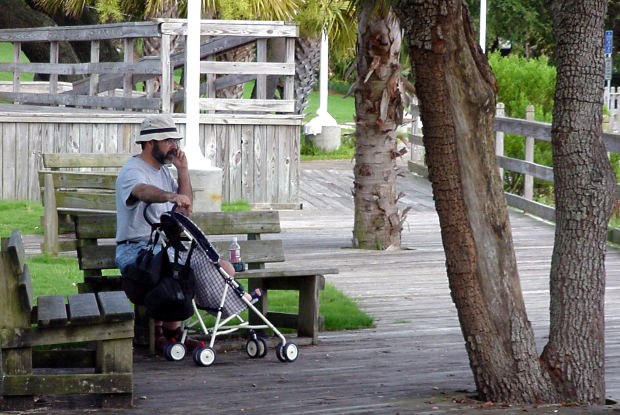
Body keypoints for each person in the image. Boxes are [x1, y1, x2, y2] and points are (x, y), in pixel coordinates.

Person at [115, 113, 260, 353]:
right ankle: (171, 335)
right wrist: (169, 196)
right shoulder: (133, 171)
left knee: (224, 268)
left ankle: (174, 335)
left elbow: (185, 209)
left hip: (163, 249)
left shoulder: (163, 171)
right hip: (137, 250)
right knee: (180, 272)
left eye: (175, 141)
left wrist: (183, 170)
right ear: (150, 143)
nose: (175, 146)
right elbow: (142, 191)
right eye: (169, 141)